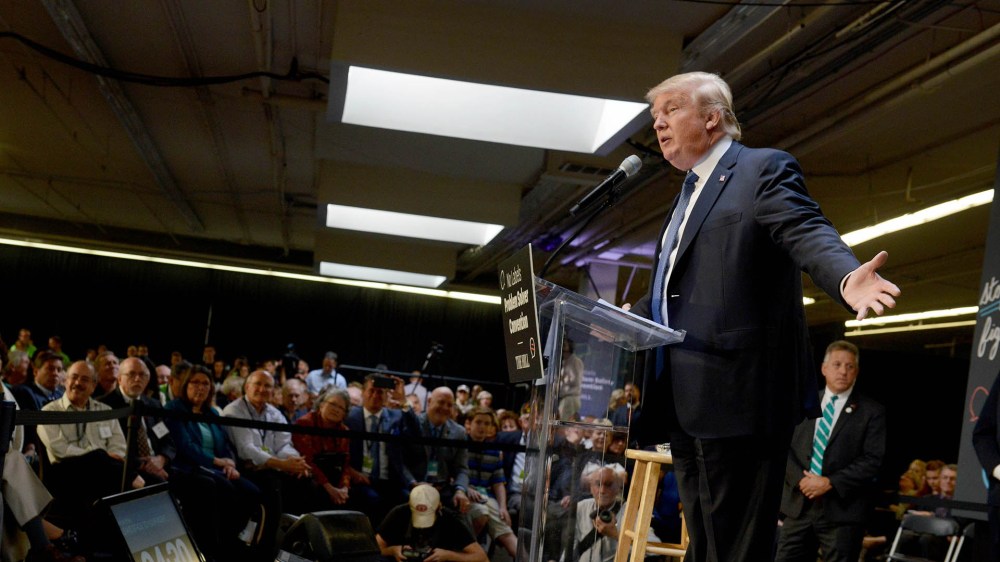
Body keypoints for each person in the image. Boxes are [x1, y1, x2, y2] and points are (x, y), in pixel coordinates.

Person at [626, 71, 900, 562]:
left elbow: (806, 228)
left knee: (735, 550)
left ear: (713, 118)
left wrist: (845, 277)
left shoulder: (760, 169)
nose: (658, 124)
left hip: (738, 398)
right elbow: (676, 288)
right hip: (685, 400)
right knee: (707, 546)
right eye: (655, 116)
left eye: (671, 110)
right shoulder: (688, 193)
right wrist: (629, 316)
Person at [774, 340, 886, 562]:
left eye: (849, 366)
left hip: (843, 511)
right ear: (824, 368)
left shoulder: (871, 411)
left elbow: (872, 460)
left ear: (856, 372)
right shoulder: (803, 404)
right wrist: (801, 480)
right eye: (837, 364)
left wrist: (829, 482)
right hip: (799, 506)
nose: (843, 371)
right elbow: (782, 448)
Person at [98, 357, 175, 484]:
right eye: (131, 374)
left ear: (148, 380)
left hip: (159, 464)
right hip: (127, 469)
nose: (138, 379)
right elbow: (107, 448)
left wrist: (161, 459)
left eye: (142, 375)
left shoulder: (153, 404)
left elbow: (167, 440)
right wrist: (145, 465)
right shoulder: (105, 405)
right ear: (119, 378)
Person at [401, 386, 472, 513]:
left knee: (463, 511)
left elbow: (461, 469)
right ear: (429, 401)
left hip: (442, 490)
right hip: (413, 487)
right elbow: (401, 462)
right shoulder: (413, 424)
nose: (445, 408)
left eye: (449, 405)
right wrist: (413, 483)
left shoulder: (459, 432)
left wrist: (460, 490)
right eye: (441, 402)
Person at [376, 484, 487, 562]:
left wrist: (448, 555)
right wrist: (393, 550)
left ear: (439, 506)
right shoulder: (399, 513)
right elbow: (374, 549)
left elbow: (481, 558)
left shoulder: (449, 519)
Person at [293, 387, 357, 507]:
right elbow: (308, 460)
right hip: (312, 476)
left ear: (344, 414)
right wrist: (330, 489)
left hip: (334, 476)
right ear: (321, 405)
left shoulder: (344, 431)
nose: (336, 410)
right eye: (333, 404)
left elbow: (345, 464)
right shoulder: (305, 423)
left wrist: (344, 488)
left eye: (341, 408)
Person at [574, 464, 633, 562]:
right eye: (598, 484)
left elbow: (650, 550)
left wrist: (615, 534)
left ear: (619, 489)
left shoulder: (630, 512)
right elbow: (571, 546)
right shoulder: (581, 508)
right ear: (591, 487)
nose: (602, 491)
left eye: (609, 485)